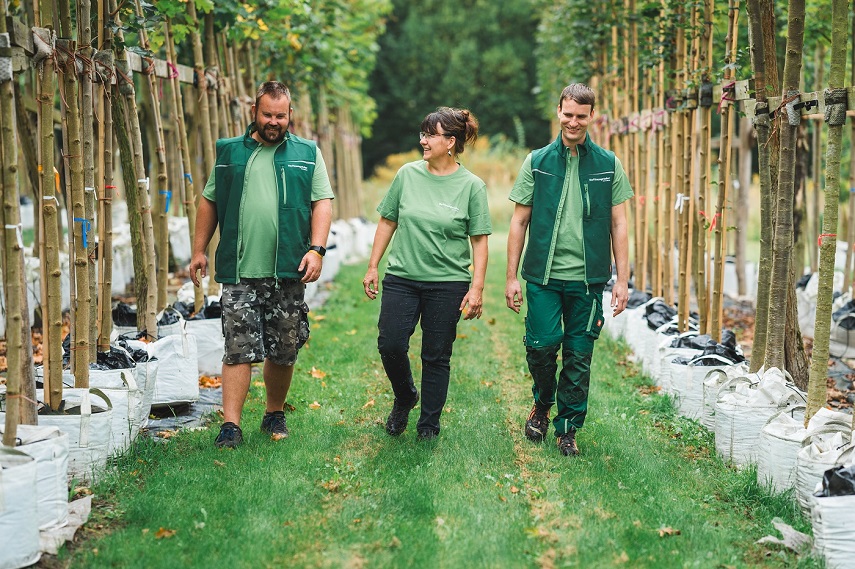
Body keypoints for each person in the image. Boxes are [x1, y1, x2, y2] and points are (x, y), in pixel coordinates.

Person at [189, 81, 334, 448]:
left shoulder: (307, 153)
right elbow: (209, 201)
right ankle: (231, 426)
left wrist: (316, 249)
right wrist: (199, 250)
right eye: (267, 114)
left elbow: (322, 202)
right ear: (254, 111)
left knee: (284, 347)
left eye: (280, 115)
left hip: (288, 268)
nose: (274, 121)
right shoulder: (229, 152)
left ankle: (274, 412)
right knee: (238, 347)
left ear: (290, 115)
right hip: (239, 271)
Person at [505, 83, 632, 456]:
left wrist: (622, 280)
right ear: (558, 112)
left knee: (579, 355)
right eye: (568, 114)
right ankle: (542, 404)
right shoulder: (537, 161)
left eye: (581, 115)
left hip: (588, 280)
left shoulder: (608, 164)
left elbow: (619, 223)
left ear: (592, 116)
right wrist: (512, 277)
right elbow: (518, 221)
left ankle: (568, 429)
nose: (573, 122)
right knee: (541, 347)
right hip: (543, 277)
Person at [363, 107, 491, 440]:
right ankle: (405, 396)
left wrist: (476, 289)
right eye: (422, 134)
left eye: (429, 135)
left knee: (436, 355)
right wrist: (373, 265)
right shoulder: (406, 175)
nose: (423, 140)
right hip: (402, 277)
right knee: (390, 344)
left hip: (448, 283)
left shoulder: (471, 187)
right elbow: (388, 220)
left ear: (450, 141)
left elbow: (479, 241)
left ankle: (428, 426)